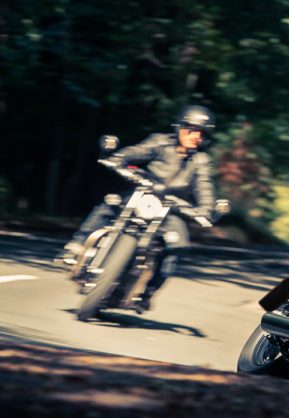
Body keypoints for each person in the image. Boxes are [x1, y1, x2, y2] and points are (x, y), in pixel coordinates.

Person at [60, 105, 217, 309]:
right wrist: (119, 159)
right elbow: (138, 151)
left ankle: (148, 291)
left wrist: (206, 210)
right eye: (191, 129)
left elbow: (205, 186)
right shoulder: (160, 141)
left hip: (171, 209)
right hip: (143, 194)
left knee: (178, 244)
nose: (195, 136)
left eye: (201, 133)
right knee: (111, 202)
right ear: (180, 127)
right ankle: (75, 247)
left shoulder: (202, 162)